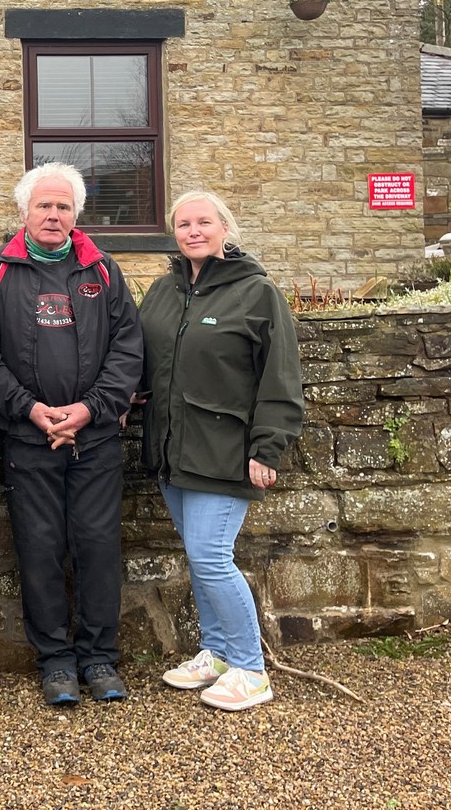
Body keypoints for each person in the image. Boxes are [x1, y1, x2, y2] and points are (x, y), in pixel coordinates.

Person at [0, 163, 142, 707]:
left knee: (96, 546)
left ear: (76, 215)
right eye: (43, 206)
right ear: (23, 212)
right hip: (28, 438)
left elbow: (127, 349)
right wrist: (32, 410)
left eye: (63, 206)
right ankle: (56, 663)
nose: (53, 215)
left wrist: (90, 410)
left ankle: (98, 658)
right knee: (40, 549)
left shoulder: (103, 270)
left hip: (95, 441)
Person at [137, 191, 304, 711]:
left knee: (211, 558)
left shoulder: (257, 293)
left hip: (227, 452)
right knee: (198, 555)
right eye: (183, 223)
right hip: (172, 451)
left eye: (203, 221)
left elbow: (281, 379)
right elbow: (145, 359)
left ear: (224, 228)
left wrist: (267, 448)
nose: (193, 230)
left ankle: (252, 669)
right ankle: (216, 653)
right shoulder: (163, 291)